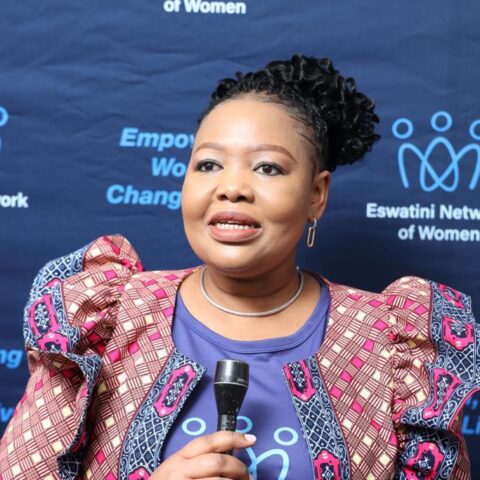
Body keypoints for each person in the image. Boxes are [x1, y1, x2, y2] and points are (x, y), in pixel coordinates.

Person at [0, 54, 479, 480]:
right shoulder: (105, 320)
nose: (231, 187)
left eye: (267, 168)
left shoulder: (393, 345)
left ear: (317, 194)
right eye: (208, 165)